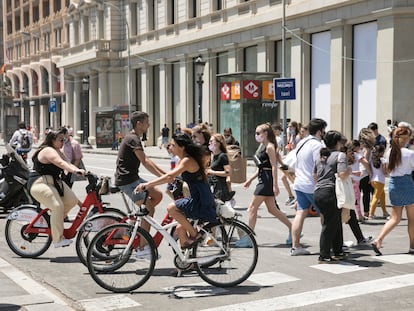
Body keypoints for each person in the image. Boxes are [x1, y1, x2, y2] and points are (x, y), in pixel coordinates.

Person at [136, 133, 216, 249]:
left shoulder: (187, 160)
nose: (170, 147)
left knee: (171, 208)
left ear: (181, 147)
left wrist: (148, 185)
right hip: (197, 196)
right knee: (180, 228)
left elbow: (169, 177)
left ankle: (195, 234)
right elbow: (171, 176)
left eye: (173, 145)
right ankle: (187, 262)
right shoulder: (183, 159)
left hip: (200, 200)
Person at [114, 111, 165, 257]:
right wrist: (165, 177)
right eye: (146, 122)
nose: (148, 124)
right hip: (127, 181)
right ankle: (142, 249)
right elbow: (145, 162)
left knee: (158, 195)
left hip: (133, 179)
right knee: (149, 210)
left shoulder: (134, 138)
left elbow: (147, 159)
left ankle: (140, 221)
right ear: (139, 123)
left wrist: (167, 175)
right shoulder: (133, 139)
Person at [27, 129, 86, 248]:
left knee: (72, 201)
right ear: (52, 140)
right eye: (60, 139)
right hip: (40, 183)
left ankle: (53, 221)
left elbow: (68, 163)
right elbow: (60, 163)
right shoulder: (48, 150)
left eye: (64, 139)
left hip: (54, 182)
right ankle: (57, 239)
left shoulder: (58, 150)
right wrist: (75, 170)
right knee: (57, 206)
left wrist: (82, 171)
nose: (63, 142)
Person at [242, 123, 292, 247]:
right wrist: (250, 179)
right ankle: (294, 229)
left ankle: (248, 238)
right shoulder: (263, 146)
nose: (256, 135)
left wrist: (275, 185)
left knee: (253, 208)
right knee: (272, 209)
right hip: (263, 178)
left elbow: (274, 166)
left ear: (265, 133)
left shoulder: (269, 147)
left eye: (258, 133)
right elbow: (262, 167)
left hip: (267, 180)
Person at [372, 125, 414, 256]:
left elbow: (388, 170)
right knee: (412, 219)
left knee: (395, 218)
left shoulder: (390, 151)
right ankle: (412, 246)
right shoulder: (409, 153)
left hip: (394, 184)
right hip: (407, 184)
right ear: (406, 138)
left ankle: (378, 240)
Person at [290, 118, 327, 256]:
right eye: (323, 130)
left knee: (300, 213)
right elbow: (319, 167)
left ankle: (295, 246)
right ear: (319, 131)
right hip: (312, 185)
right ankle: (326, 244)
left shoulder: (301, 142)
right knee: (325, 214)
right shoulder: (317, 145)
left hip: (299, 183)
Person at [313, 130, 350, 263]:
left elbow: (315, 176)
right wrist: (349, 170)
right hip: (331, 192)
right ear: (337, 142)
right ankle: (324, 255)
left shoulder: (320, 156)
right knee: (329, 224)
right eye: (341, 141)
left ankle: (338, 250)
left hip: (318, 192)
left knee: (335, 222)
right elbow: (342, 174)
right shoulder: (340, 156)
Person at [207, 133, 234, 202]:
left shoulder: (222, 156)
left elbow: (228, 172)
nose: (209, 143)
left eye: (211, 141)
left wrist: (212, 172)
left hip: (220, 188)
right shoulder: (213, 156)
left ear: (218, 143)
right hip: (214, 186)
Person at [358, 128, 376, 221]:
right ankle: (366, 212)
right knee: (366, 194)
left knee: (357, 194)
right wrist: (370, 173)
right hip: (365, 173)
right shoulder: (368, 148)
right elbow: (365, 160)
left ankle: (358, 213)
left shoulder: (359, 147)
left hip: (359, 173)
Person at [368, 145, 390, 220]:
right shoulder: (383, 160)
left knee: (382, 195)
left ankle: (385, 212)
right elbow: (384, 172)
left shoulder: (372, 160)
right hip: (380, 181)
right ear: (381, 152)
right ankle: (371, 214)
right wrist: (388, 174)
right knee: (376, 197)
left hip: (373, 180)